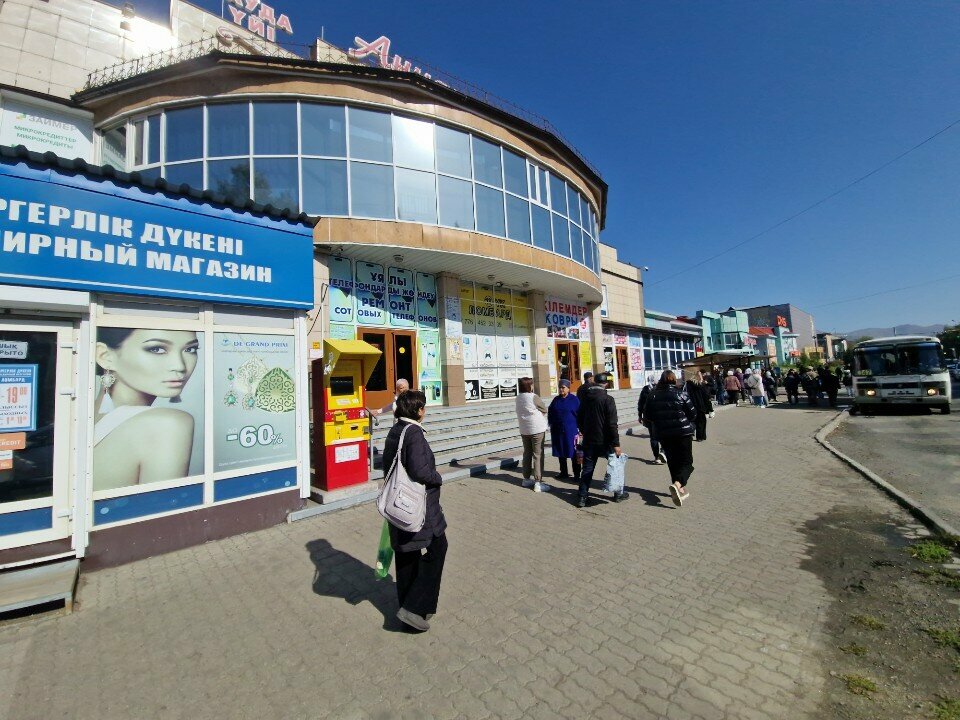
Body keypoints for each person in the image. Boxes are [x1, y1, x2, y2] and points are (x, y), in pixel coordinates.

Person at [94, 328, 200, 490]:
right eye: (156, 349)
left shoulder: (77, 415)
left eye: (190, 349)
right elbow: (163, 503)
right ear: (105, 356)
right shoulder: (166, 424)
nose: (180, 366)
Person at [381, 390, 447, 632]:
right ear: (419, 410)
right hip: (418, 506)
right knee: (438, 547)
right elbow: (420, 471)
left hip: (398, 505)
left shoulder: (396, 429)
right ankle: (414, 606)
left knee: (407, 557)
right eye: (424, 408)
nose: (425, 411)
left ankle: (411, 614)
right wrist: (437, 477)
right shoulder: (414, 433)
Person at [644, 370, 697, 507]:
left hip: (664, 434)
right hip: (683, 433)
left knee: (672, 462)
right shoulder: (681, 393)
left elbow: (647, 416)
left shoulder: (652, 395)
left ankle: (678, 489)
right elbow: (692, 414)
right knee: (687, 462)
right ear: (674, 380)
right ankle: (678, 484)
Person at [576, 372, 627, 507]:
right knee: (615, 466)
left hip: (589, 439)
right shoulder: (608, 399)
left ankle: (582, 496)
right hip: (606, 440)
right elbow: (612, 424)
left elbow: (579, 418)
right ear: (606, 384)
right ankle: (618, 493)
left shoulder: (585, 399)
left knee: (587, 469)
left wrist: (584, 431)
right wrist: (616, 443)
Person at [515, 377, 551, 492]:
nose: (532, 386)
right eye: (531, 384)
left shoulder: (518, 398)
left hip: (524, 430)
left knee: (527, 453)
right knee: (538, 455)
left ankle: (526, 479)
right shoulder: (533, 397)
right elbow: (544, 409)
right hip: (537, 429)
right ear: (528, 386)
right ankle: (538, 483)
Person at [548, 379, 581, 481]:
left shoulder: (574, 400)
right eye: (560, 388)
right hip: (558, 431)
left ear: (568, 388)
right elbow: (550, 412)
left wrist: (581, 429)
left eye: (563, 388)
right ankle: (563, 472)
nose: (561, 390)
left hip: (571, 430)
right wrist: (551, 423)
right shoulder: (556, 400)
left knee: (573, 452)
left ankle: (576, 474)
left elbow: (580, 414)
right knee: (560, 451)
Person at [638, 374, 666, 463]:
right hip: (661, 417)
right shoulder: (662, 389)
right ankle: (663, 452)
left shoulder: (646, 389)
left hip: (649, 417)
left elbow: (641, 403)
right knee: (663, 435)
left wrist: (640, 415)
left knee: (653, 437)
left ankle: (657, 457)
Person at [684, 371, 714, 441]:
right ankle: (701, 436)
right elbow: (705, 396)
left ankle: (690, 434)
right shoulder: (701, 385)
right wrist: (709, 408)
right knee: (701, 421)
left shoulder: (688, 384)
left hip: (691, 404)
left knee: (692, 421)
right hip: (700, 405)